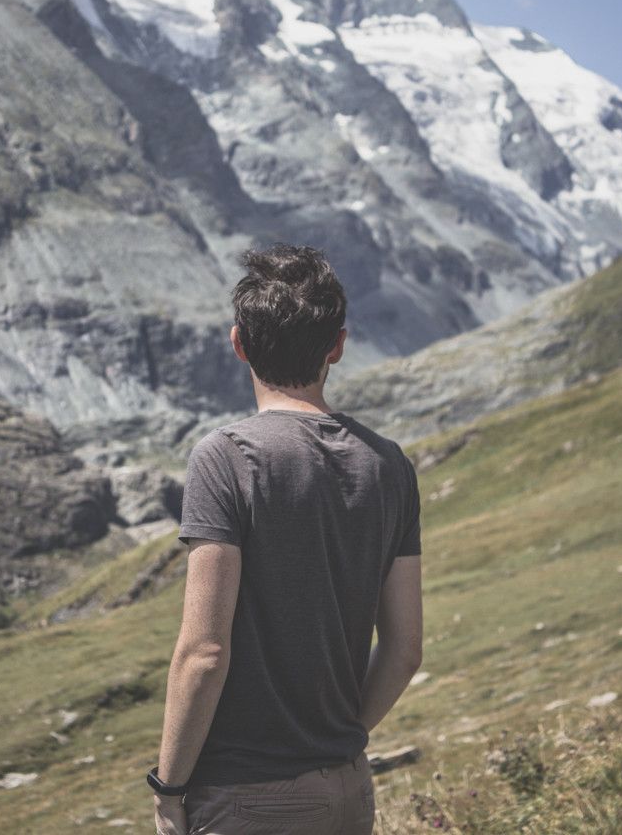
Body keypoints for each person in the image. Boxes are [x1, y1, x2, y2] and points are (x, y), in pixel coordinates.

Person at [148, 243, 423, 835]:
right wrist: (339, 741)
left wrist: (168, 787)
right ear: (338, 346)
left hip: (245, 797)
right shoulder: (391, 465)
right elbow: (404, 650)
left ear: (239, 343)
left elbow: (204, 652)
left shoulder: (226, 459)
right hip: (349, 788)